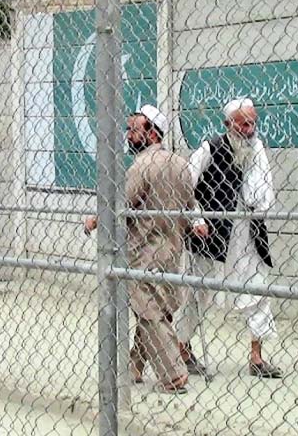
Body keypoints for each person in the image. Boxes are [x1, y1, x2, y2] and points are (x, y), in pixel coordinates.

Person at [84, 105, 194, 394]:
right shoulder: (181, 164)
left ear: (152, 133)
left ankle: (174, 376)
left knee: (150, 313)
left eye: (134, 130)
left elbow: (120, 202)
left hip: (143, 251)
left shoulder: (142, 166)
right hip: (172, 248)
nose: (129, 136)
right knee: (158, 309)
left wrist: (95, 220)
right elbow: (190, 207)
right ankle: (135, 365)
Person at [175, 98, 281, 379]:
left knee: (258, 289)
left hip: (248, 232)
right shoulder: (211, 147)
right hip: (212, 233)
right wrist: (196, 218)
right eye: (244, 123)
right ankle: (181, 348)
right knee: (199, 292)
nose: (250, 128)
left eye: (253, 122)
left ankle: (256, 357)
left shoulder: (257, 148)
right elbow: (185, 184)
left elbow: (264, 189)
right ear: (228, 124)